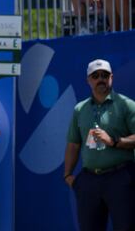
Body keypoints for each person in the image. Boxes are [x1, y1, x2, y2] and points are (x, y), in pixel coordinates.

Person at [64, 59, 135, 231]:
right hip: (89, 179)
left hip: (120, 177)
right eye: (95, 76)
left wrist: (115, 141)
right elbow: (73, 144)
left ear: (111, 77)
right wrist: (68, 175)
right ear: (88, 80)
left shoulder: (126, 105)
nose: (100, 79)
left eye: (104, 75)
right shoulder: (80, 109)